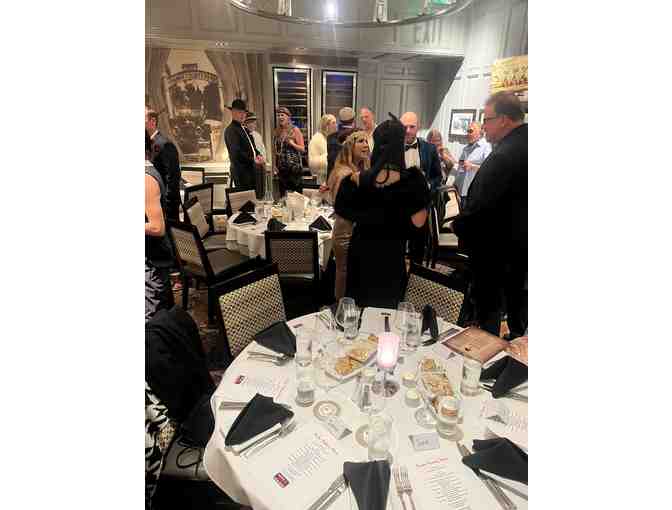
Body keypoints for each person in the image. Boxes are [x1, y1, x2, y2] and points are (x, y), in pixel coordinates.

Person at [450, 92, 527, 338]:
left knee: (489, 313)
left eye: (487, 119)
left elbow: (480, 207)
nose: (484, 126)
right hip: (520, 249)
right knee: (517, 309)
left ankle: (489, 350)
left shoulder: (504, 155)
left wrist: (458, 226)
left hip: (496, 251)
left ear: (503, 120)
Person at [335, 115, 430, 309]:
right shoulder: (415, 183)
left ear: (376, 144)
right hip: (392, 259)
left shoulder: (356, 181)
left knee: (359, 315)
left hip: (360, 257)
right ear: (400, 145)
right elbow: (419, 230)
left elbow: (342, 211)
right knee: (388, 318)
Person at [325, 131, 370, 300]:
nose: (366, 145)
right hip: (344, 231)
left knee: (353, 271)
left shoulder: (362, 169)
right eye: (361, 141)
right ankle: (340, 304)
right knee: (343, 270)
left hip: (356, 229)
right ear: (350, 146)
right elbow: (340, 205)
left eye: (366, 141)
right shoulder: (343, 173)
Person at [400, 111, 442, 265]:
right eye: (404, 127)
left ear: (418, 127)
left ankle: (416, 275)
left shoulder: (429, 149)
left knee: (417, 247)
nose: (408, 130)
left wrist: (428, 185)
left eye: (412, 127)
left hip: (420, 207)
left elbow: (438, 176)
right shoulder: (391, 148)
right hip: (398, 206)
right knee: (396, 246)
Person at [145, 131, 175, 322]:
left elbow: (157, 227)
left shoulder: (145, 179)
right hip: (151, 259)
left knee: (152, 324)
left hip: (152, 263)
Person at [146, 107, 181, 222]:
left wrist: (167, 207)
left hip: (165, 207)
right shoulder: (147, 143)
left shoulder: (165, 144)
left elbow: (173, 178)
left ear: (152, 121)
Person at [224, 98, 264, 189]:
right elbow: (236, 153)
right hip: (241, 175)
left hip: (250, 172)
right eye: (239, 112)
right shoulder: (231, 130)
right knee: (245, 197)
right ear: (233, 112)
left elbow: (252, 147)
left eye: (244, 112)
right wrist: (253, 160)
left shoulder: (244, 129)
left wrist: (258, 154)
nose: (242, 115)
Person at [454, 121, 492, 209]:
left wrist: (472, 167)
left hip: (475, 195)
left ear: (480, 132)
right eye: (467, 131)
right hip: (461, 192)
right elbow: (460, 168)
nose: (468, 134)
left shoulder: (486, 147)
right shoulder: (466, 148)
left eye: (470, 131)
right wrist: (456, 186)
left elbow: (489, 169)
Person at [273, 106, 305, 196]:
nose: (280, 117)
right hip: (282, 170)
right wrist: (275, 165)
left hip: (294, 170)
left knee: (296, 196)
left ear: (288, 117)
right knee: (283, 196)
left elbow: (302, 149)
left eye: (282, 115)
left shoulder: (295, 130)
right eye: (278, 115)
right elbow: (275, 150)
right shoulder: (277, 132)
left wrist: (292, 144)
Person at [327, 106, 357, 178]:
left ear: (340, 120)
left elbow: (330, 163)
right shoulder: (359, 135)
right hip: (352, 178)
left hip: (334, 178)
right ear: (353, 119)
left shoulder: (330, 137)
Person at [244, 111, 267, 199]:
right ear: (245, 123)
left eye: (253, 122)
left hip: (259, 169)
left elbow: (262, 152)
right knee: (249, 195)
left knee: (260, 194)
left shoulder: (258, 136)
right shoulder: (242, 135)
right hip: (248, 170)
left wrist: (263, 160)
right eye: (249, 122)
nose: (251, 125)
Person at [308, 114, 337, 185]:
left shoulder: (329, 137)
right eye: (333, 123)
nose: (336, 125)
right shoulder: (318, 138)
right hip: (323, 178)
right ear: (326, 125)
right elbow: (313, 162)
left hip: (330, 176)